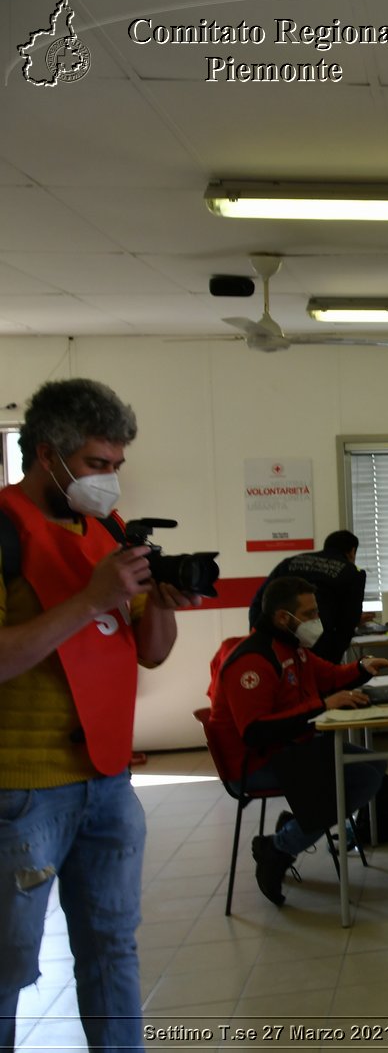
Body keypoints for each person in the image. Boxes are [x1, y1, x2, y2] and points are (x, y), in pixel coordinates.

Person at [0, 378, 202, 1049]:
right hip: (21, 790)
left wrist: (165, 602)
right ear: (47, 453)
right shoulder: (4, 528)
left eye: (117, 466)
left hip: (108, 781)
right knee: (6, 967)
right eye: (96, 464)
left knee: (114, 947)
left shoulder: (108, 531)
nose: (110, 480)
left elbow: (151, 652)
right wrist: (88, 600)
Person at [214, 576, 388, 905]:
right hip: (258, 762)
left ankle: (294, 829)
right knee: (349, 782)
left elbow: (328, 675)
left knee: (373, 765)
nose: (316, 620)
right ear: (283, 618)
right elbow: (255, 732)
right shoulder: (252, 660)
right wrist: (323, 705)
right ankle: (278, 848)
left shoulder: (291, 649)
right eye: (310, 613)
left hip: (294, 748)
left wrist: (362, 667)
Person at [247, 530, 367, 663]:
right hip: (319, 643)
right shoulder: (352, 573)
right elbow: (348, 623)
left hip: (278, 639)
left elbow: (258, 602)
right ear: (352, 551)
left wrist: (258, 639)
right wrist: (331, 661)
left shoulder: (290, 562)